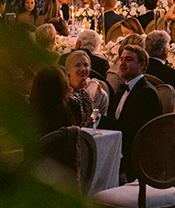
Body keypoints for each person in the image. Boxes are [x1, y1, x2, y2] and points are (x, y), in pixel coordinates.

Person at [99, 45, 162, 179]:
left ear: (141, 65)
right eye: (121, 59)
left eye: (128, 59)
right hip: (119, 150)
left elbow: (133, 130)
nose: (122, 63)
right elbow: (114, 119)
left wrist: (98, 119)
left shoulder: (146, 93)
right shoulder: (124, 90)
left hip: (134, 159)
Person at [65, 50, 110, 126]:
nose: (83, 69)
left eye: (86, 65)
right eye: (77, 65)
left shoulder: (100, 95)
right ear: (68, 70)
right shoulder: (61, 91)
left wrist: (92, 117)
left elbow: (97, 119)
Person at [30, 64, 76, 135]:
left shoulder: (29, 114)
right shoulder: (73, 109)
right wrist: (94, 82)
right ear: (63, 87)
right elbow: (86, 98)